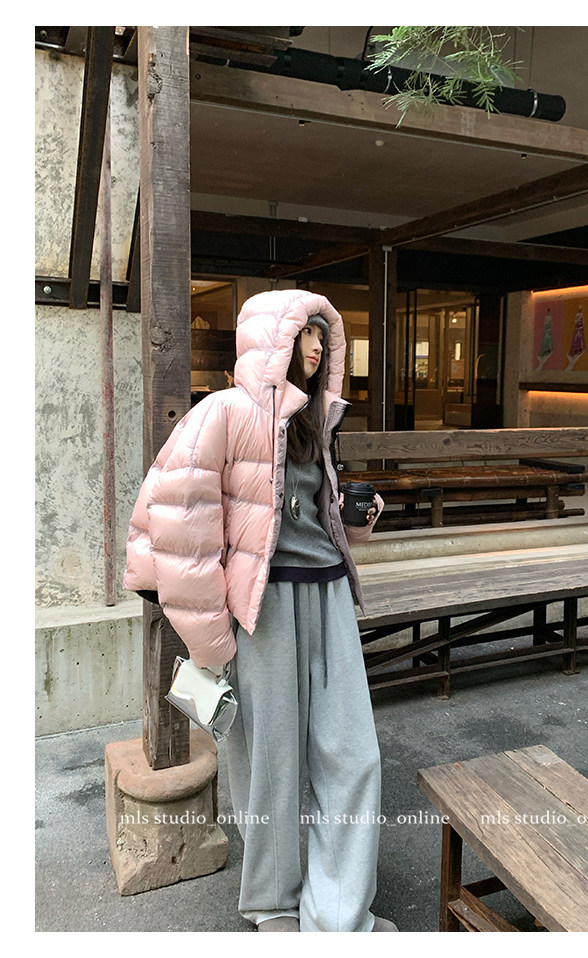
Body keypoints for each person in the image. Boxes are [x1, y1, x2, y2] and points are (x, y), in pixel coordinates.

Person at [123, 289, 396, 933]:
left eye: (322, 335)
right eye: (305, 333)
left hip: (329, 595)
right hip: (265, 607)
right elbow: (176, 522)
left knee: (352, 753)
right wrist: (212, 642)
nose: (316, 346)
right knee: (269, 762)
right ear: (273, 339)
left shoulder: (314, 420)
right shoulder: (223, 412)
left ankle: (338, 913)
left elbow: (304, 517)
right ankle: (272, 901)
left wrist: (355, 520)